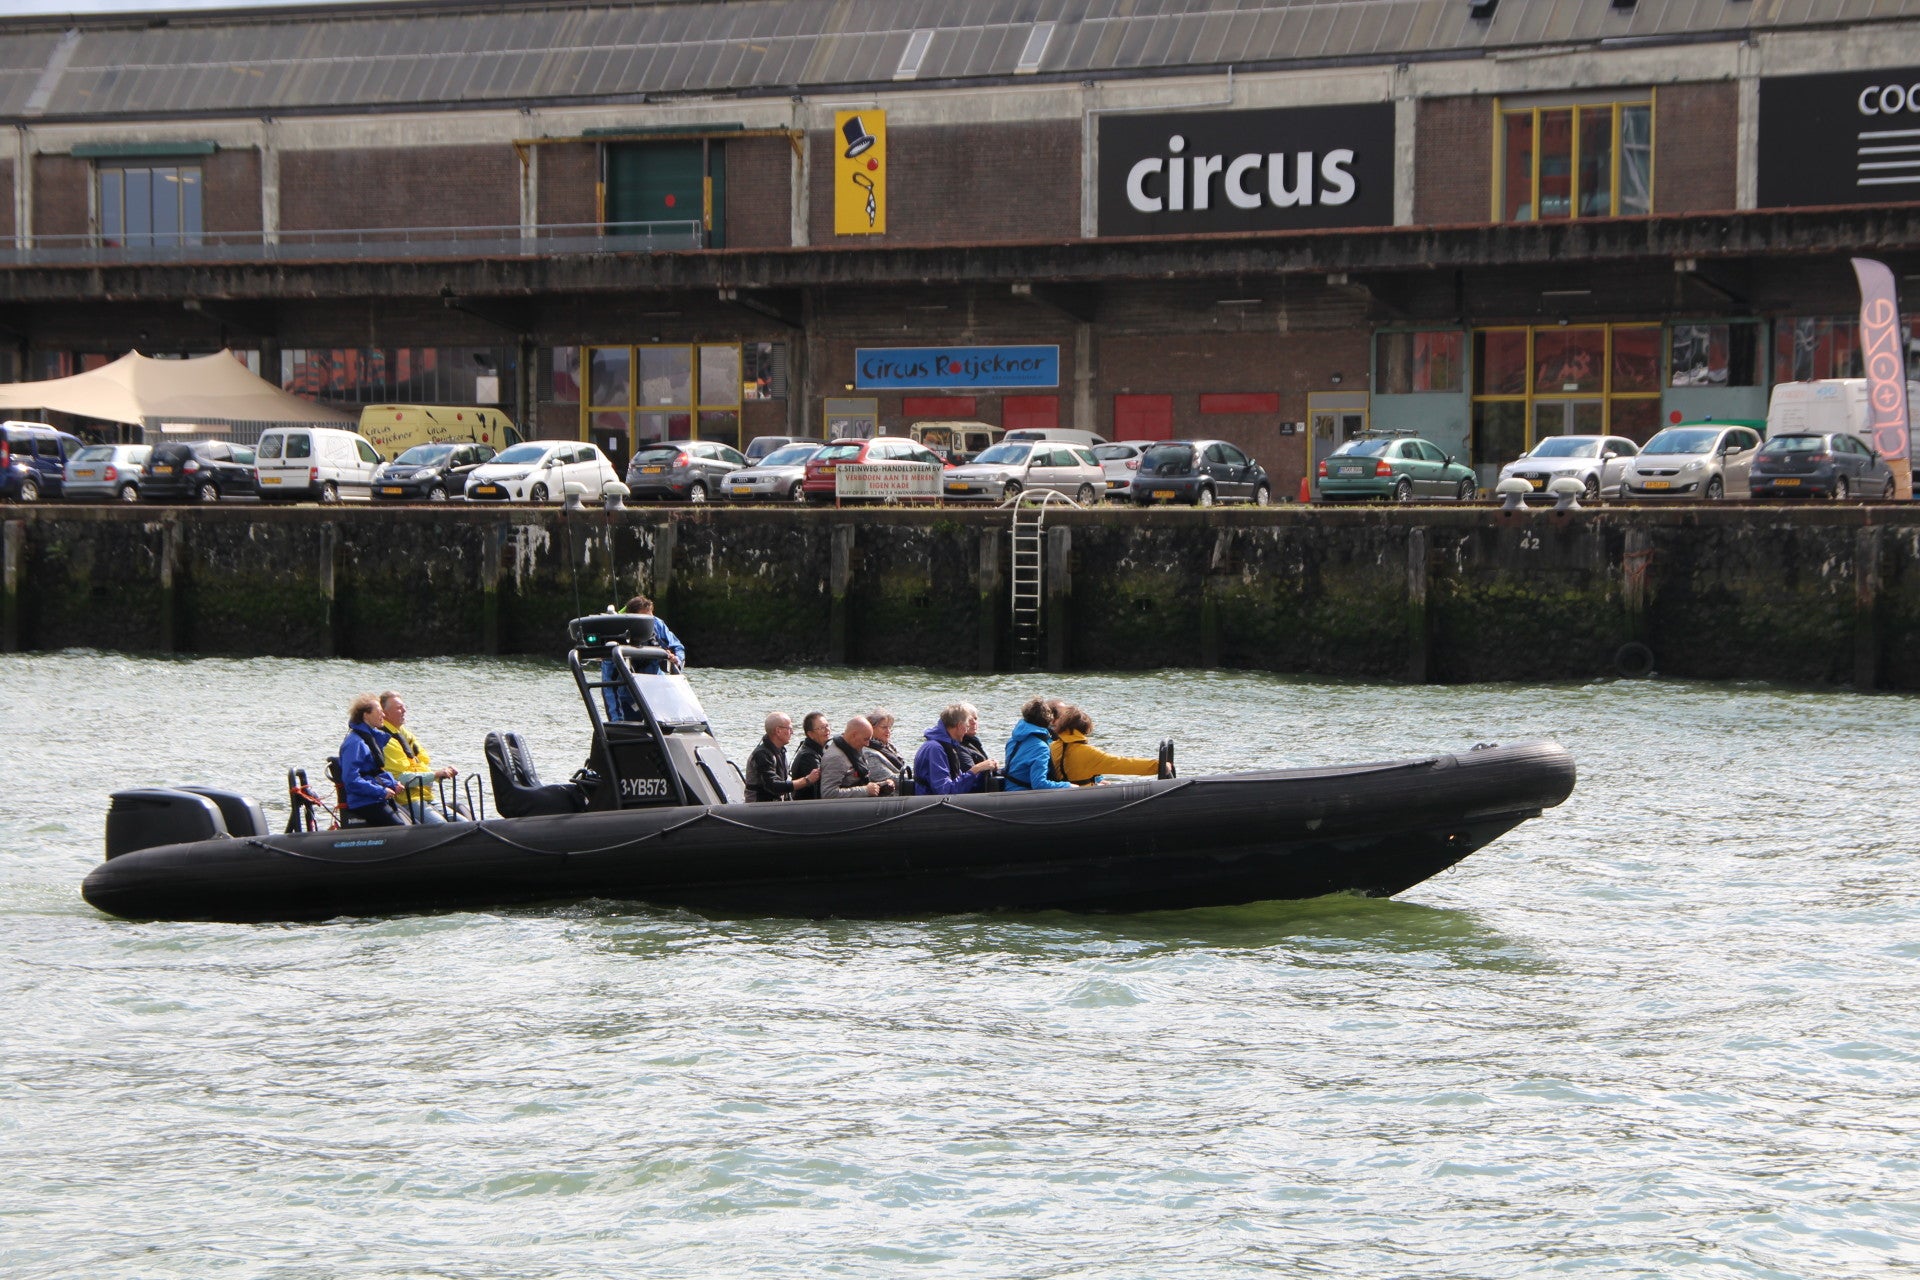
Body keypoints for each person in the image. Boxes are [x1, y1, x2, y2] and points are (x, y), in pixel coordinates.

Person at [378, 691, 459, 824]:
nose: (404, 710)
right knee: (442, 826)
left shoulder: (403, 734)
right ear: (385, 713)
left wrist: (443, 774)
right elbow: (400, 778)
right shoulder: (386, 740)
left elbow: (420, 765)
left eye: (403, 706)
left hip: (424, 796)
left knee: (462, 822)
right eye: (399, 708)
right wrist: (435, 775)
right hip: (406, 800)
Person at [602, 595, 686, 722]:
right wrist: (616, 722)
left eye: (650, 617)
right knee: (626, 723)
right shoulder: (615, 637)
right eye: (644, 619)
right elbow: (608, 685)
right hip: (628, 695)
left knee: (675, 706)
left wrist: (676, 660)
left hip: (656, 687)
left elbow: (678, 647)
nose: (648, 623)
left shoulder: (657, 624)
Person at [338, 692, 407, 826]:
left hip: (375, 797)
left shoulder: (370, 739)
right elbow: (351, 779)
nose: (383, 715)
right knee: (400, 828)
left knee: (412, 825)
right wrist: (381, 791)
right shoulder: (355, 743)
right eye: (379, 711)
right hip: (364, 802)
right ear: (366, 715)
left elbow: (374, 773)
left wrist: (392, 783)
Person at [1050, 703, 1160, 786]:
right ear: (1085, 728)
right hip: (1083, 798)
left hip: (1061, 795)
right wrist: (1157, 766)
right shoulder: (1088, 753)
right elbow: (1122, 764)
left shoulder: (1052, 746)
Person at [913, 703, 1000, 796]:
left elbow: (958, 782)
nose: (966, 731)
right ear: (959, 726)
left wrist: (984, 770)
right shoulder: (935, 749)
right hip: (932, 803)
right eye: (966, 726)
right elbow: (945, 792)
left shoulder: (948, 746)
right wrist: (975, 769)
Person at [1003, 697, 1073, 792]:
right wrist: (1068, 785)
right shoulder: (1041, 747)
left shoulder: (1013, 740)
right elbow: (1039, 784)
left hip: (1009, 789)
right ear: (1048, 719)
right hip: (1023, 794)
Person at [744, 712, 818, 803]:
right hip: (759, 807)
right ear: (778, 731)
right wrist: (807, 780)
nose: (792, 732)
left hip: (776, 805)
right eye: (789, 728)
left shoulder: (780, 750)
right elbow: (774, 786)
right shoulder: (761, 755)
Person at [818, 717, 895, 799]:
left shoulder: (854, 748)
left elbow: (861, 783)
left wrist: (881, 785)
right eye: (865, 739)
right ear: (854, 735)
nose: (867, 744)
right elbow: (828, 793)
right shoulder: (836, 758)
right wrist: (865, 790)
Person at [790, 711, 830, 800]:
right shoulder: (808, 756)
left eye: (827, 725)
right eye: (821, 728)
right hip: (807, 805)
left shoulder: (820, 749)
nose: (827, 730)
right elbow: (823, 784)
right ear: (810, 734)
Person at [865, 707, 909, 787]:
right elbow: (886, 778)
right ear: (871, 728)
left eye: (889, 727)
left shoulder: (888, 747)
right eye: (884, 727)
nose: (888, 731)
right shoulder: (868, 753)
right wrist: (919, 777)